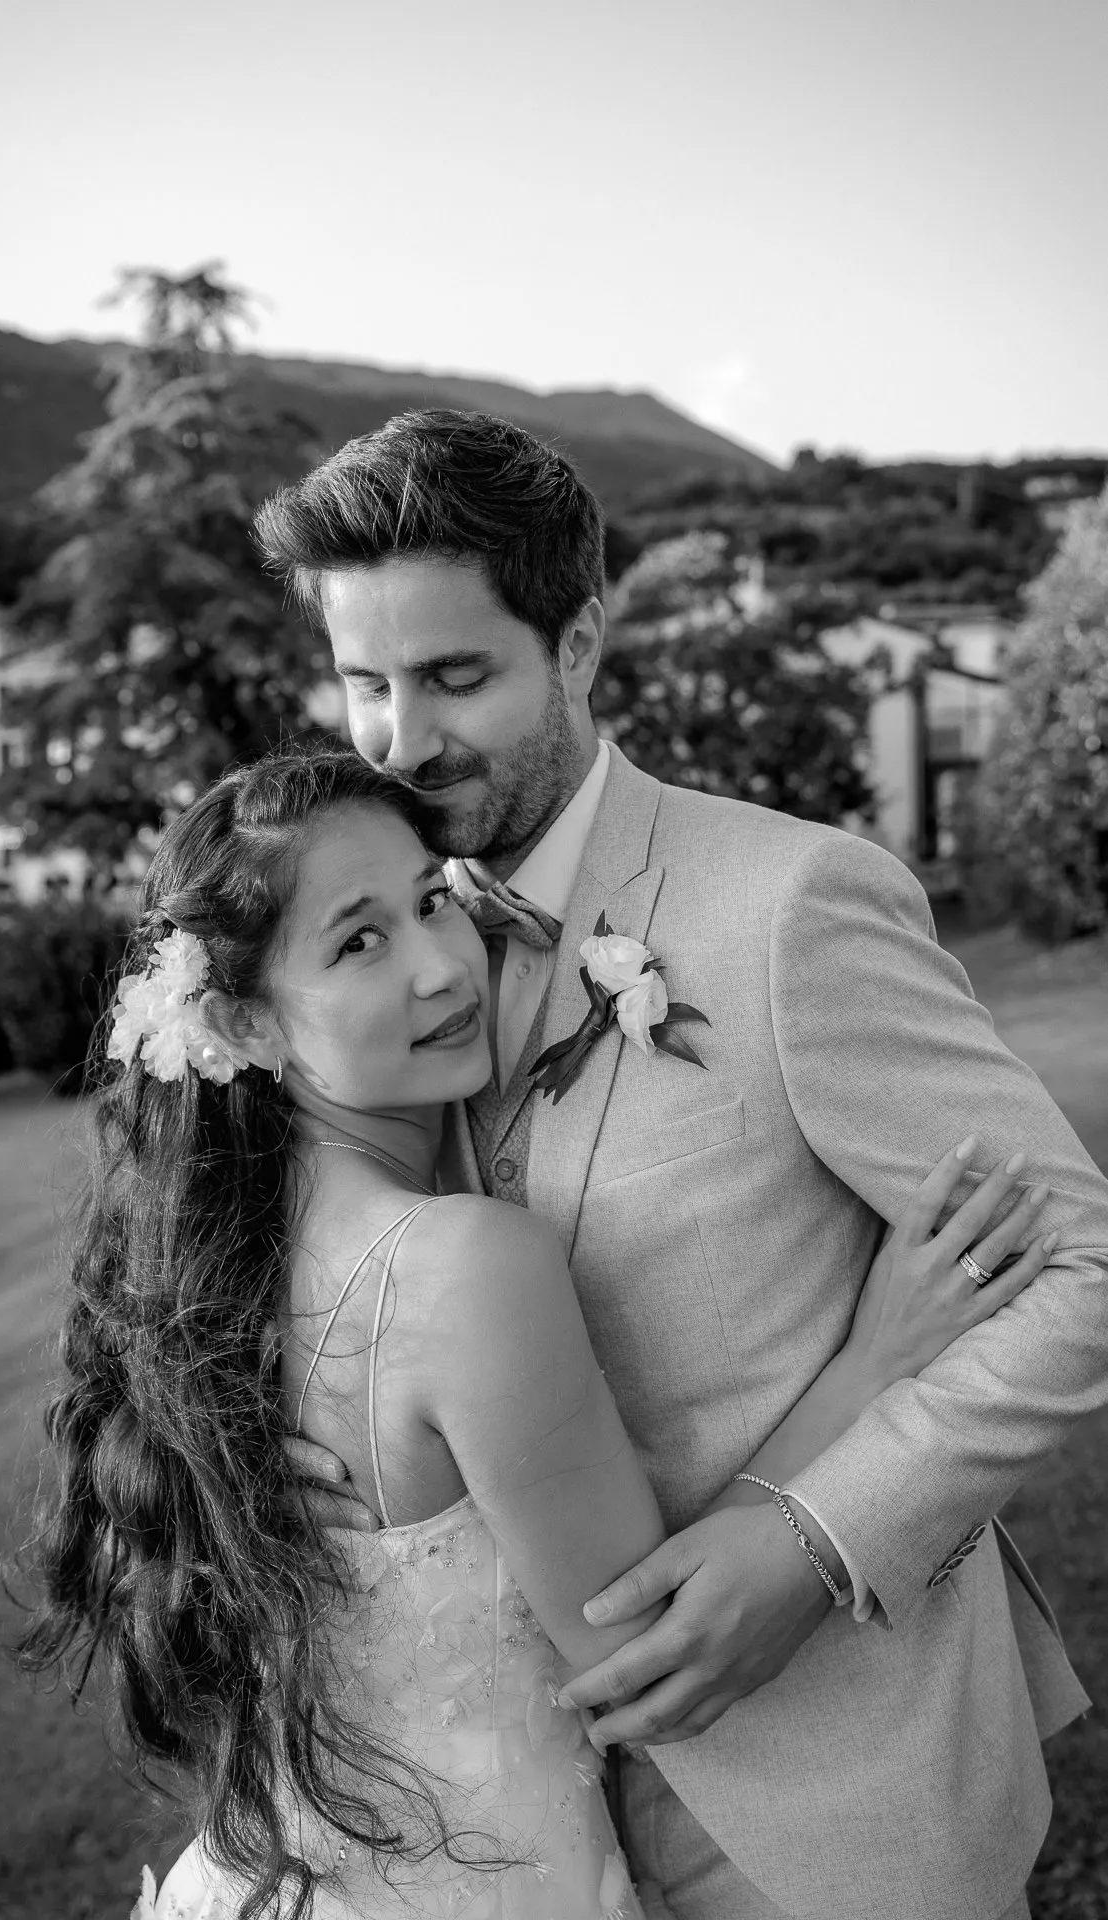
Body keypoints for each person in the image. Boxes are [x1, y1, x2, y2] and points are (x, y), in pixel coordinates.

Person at [251, 411, 1108, 1920]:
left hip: (846, 1792)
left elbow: (1079, 1271)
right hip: (532, 1819)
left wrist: (813, 1541)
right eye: (365, 682)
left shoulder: (791, 904)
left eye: (456, 677)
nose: (398, 740)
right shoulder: (378, 955)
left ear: (579, 642)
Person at [22, 746, 1051, 1920]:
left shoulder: (209, 1282)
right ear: (240, 1022)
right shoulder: (457, 1263)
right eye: (359, 941)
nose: (440, 966)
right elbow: (643, 1650)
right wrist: (872, 1359)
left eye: (429, 902)